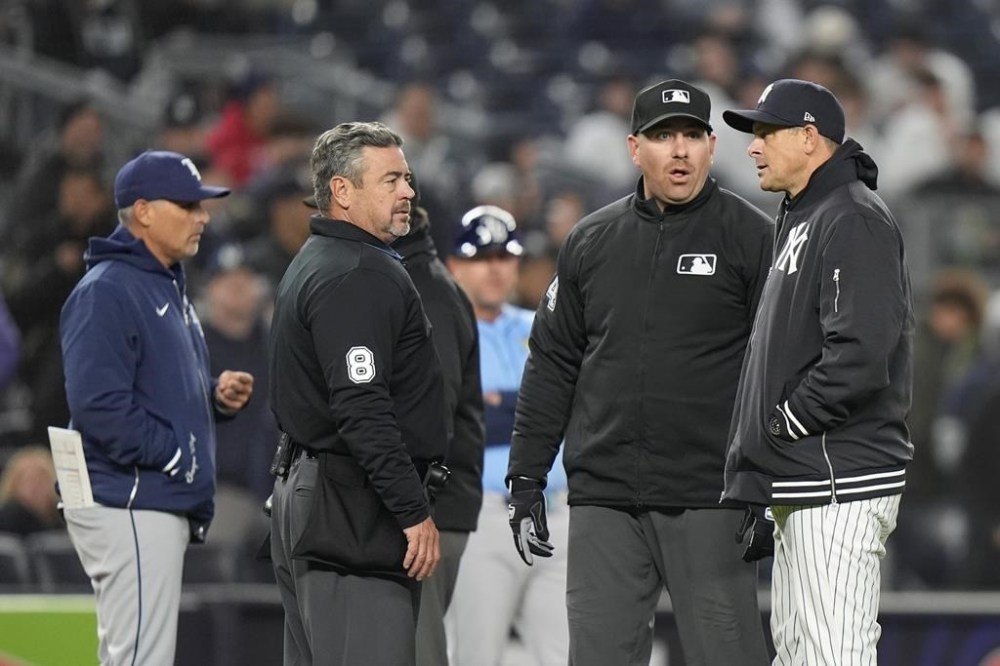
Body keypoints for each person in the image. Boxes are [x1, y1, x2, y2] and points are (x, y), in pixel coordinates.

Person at [506, 79, 773, 666]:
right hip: (606, 498)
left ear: (710, 146)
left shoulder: (751, 236)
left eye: (691, 136)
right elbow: (552, 363)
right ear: (634, 148)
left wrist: (765, 482)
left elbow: (776, 370)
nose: (678, 151)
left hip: (712, 497)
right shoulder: (590, 240)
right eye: (661, 136)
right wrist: (526, 476)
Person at [721, 78, 914, 664]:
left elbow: (860, 352)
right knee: (802, 656)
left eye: (765, 132)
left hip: (837, 480)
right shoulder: (807, 214)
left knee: (834, 655)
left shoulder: (851, 215)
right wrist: (763, 469)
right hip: (805, 478)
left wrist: (784, 425)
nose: (753, 146)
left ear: (809, 138)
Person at [59, 150, 255, 666]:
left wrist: (210, 396)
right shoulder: (108, 290)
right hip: (132, 498)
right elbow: (98, 406)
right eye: (188, 205)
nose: (202, 217)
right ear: (143, 211)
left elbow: (149, 387)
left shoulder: (156, 282)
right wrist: (176, 454)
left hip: (147, 497)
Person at [268, 121, 447, 666]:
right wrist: (411, 509)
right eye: (390, 180)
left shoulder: (320, 258)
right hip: (350, 505)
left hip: (315, 489)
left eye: (408, 179)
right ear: (342, 191)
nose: (408, 193)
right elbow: (362, 409)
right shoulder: (357, 272)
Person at [446, 205, 569, 666]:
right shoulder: (442, 331)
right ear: (453, 265)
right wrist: (530, 411)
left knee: (568, 656)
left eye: (504, 256)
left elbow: (571, 414)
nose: (495, 268)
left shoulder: (542, 326)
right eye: (481, 257)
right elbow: (461, 426)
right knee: (475, 657)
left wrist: (498, 404)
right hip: (485, 518)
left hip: (557, 513)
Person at [391, 180, 485, 666]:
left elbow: (432, 412)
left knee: (416, 651)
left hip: (428, 510)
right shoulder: (404, 278)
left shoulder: (424, 289)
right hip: (420, 504)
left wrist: (409, 504)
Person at [0, 445, 61, 536]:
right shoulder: (4, 522)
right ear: (13, 486)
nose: (35, 487)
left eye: (41, 479)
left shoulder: (65, 522)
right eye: (27, 480)